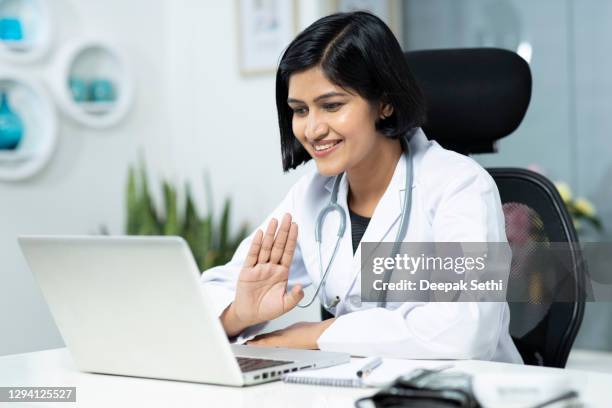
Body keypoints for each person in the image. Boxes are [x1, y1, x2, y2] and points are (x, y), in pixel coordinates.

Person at [201, 11, 522, 363]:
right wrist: (240, 314)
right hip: (363, 386)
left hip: (469, 390)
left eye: (331, 105)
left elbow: (466, 329)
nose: (312, 129)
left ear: (384, 103)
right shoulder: (311, 196)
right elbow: (218, 287)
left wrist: (316, 334)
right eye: (300, 110)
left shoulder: (460, 186)